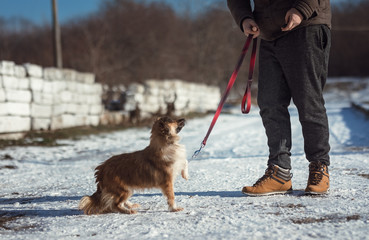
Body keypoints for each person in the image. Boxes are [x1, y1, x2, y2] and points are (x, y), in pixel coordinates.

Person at [227, 0, 331, 195]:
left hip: (306, 25)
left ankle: (319, 166)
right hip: (268, 33)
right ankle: (279, 173)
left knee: (308, 100)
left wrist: (302, 9)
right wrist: (244, 17)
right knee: (269, 102)